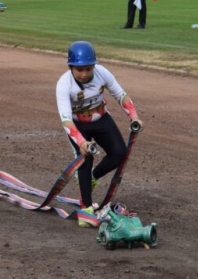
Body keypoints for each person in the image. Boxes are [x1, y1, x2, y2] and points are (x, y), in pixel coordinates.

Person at [55, 41, 143, 227]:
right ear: (70, 67)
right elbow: (66, 120)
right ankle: (86, 208)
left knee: (119, 153)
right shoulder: (64, 84)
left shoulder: (102, 73)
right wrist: (81, 142)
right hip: (78, 125)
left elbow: (121, 95)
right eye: (79, 70)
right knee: (85, 161)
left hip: (101, 119)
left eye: (88, 68)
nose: (85, 74)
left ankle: (93, 177)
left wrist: (134, 117)